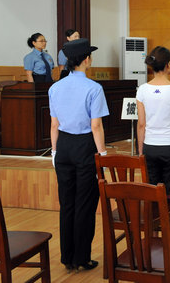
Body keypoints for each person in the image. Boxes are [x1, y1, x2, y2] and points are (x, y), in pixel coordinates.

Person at [48, 38, 108, 271]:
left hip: (63, 145)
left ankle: (67, 257)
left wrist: (54, 152)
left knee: (67, 203)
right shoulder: (93, 88)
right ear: (86, 59)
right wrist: (102, 154)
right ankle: (82, 257)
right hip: (85, 146)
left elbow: (54, 124)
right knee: (85, 204)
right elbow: (96, 126)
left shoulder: (55, 87)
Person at [136, 46, 170, 202]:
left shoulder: (142, 90)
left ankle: (153, 224)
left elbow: (141, 124)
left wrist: (141, 151)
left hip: (149, 146)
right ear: (168, 65)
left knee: (152, 191)